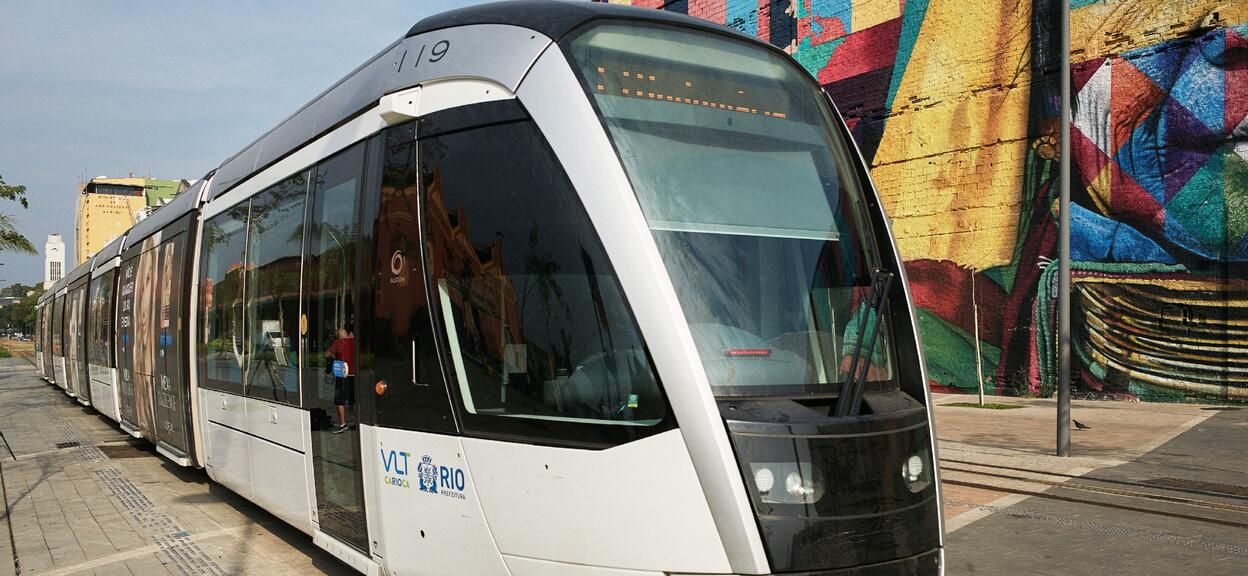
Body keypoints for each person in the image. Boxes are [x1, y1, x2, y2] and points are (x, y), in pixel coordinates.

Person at [325, 322, 356, 433]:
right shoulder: (354, 342)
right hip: (354, 375)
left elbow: (327, 354)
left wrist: (334, 355)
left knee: (339, 400)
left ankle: (342, 424)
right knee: (353, 401)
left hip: (342, 374)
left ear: (339, 336)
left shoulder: (338, 343)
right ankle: (358, 423)